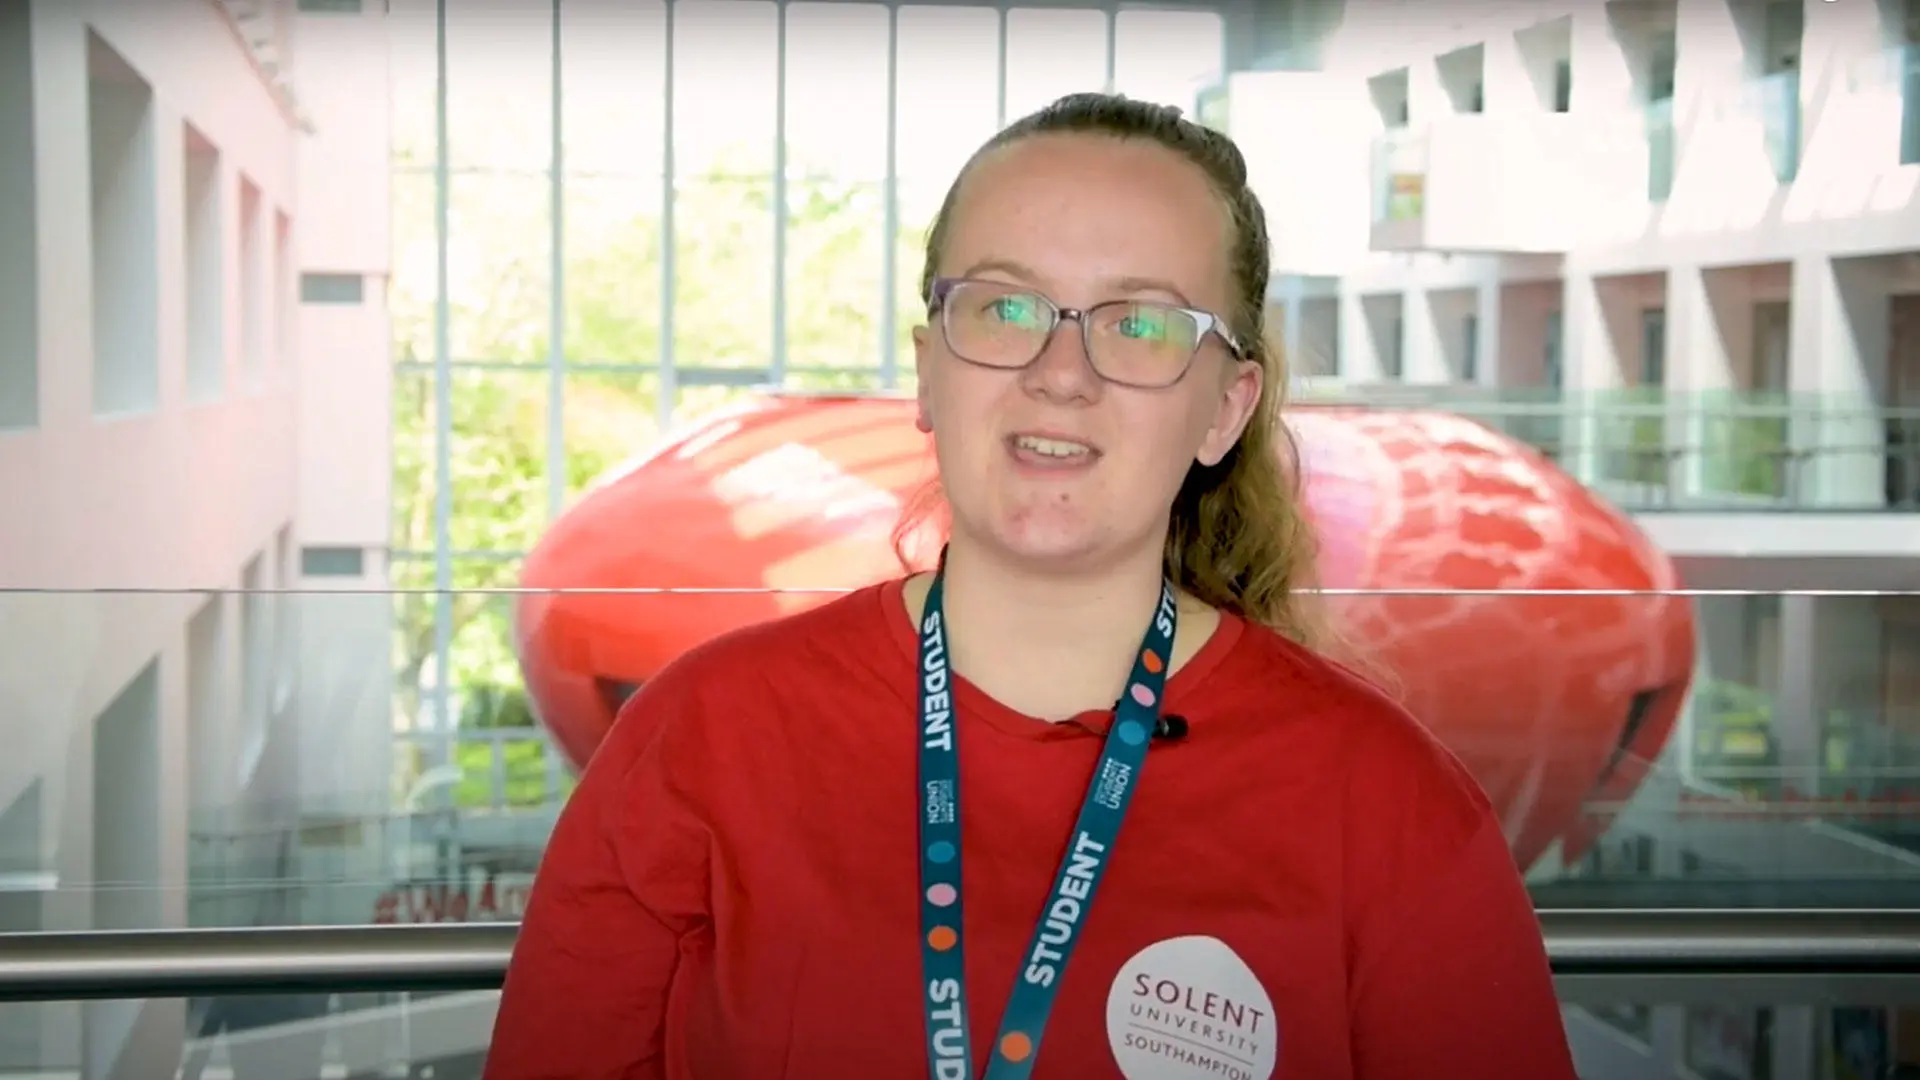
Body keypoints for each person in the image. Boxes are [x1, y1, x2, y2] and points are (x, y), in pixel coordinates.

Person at [482, 92, 1578, 1080]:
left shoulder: (1387, 808)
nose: (1061, 372)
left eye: (1140, 324)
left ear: (1225, 409)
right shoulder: (702, 744)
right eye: (1005, 308)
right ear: (926, 370)